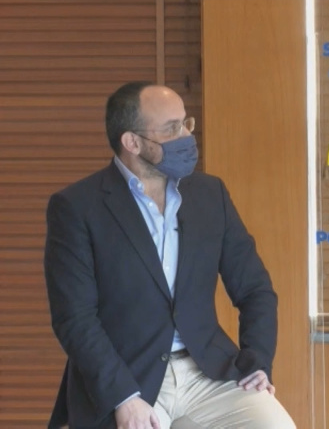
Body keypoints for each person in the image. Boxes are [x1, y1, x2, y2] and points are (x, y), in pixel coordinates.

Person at [44, 81, 296, 429]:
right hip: (129, 379)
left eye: (186, 123)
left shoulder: (210, 194)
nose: (187, 137)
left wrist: (258, 361)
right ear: (132, 142)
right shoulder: (77, 207)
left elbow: (256, 289)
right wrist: (123, 398)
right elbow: (74, 318)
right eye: (172, 128)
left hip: (210, 372)